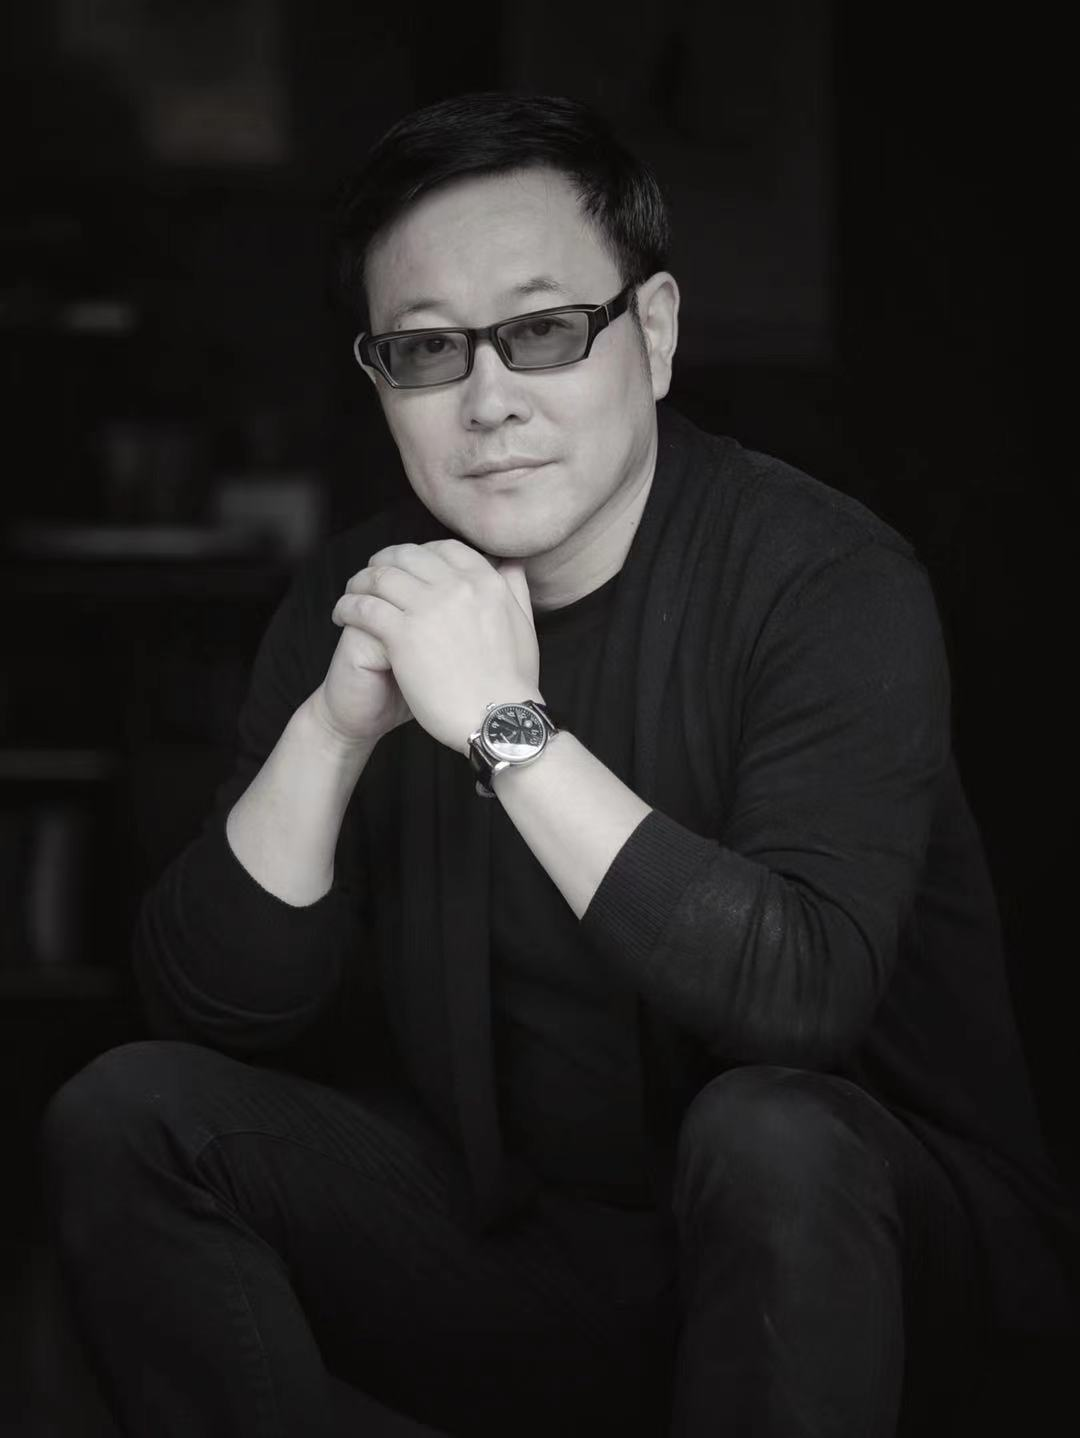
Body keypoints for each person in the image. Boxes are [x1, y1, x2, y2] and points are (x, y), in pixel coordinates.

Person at [40, 92, 1077, 1438]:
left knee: (769, 1131)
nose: (489, 402)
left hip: (859, 1266)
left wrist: (505, 727)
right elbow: (209, 1006)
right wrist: (332, 733)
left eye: (542, 331)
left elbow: (802, 994)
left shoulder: (826, 579)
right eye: (428, 349)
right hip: (542, 1256)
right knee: (129, 1117)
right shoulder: (372, 594)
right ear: (381, 381)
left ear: (654, 333)